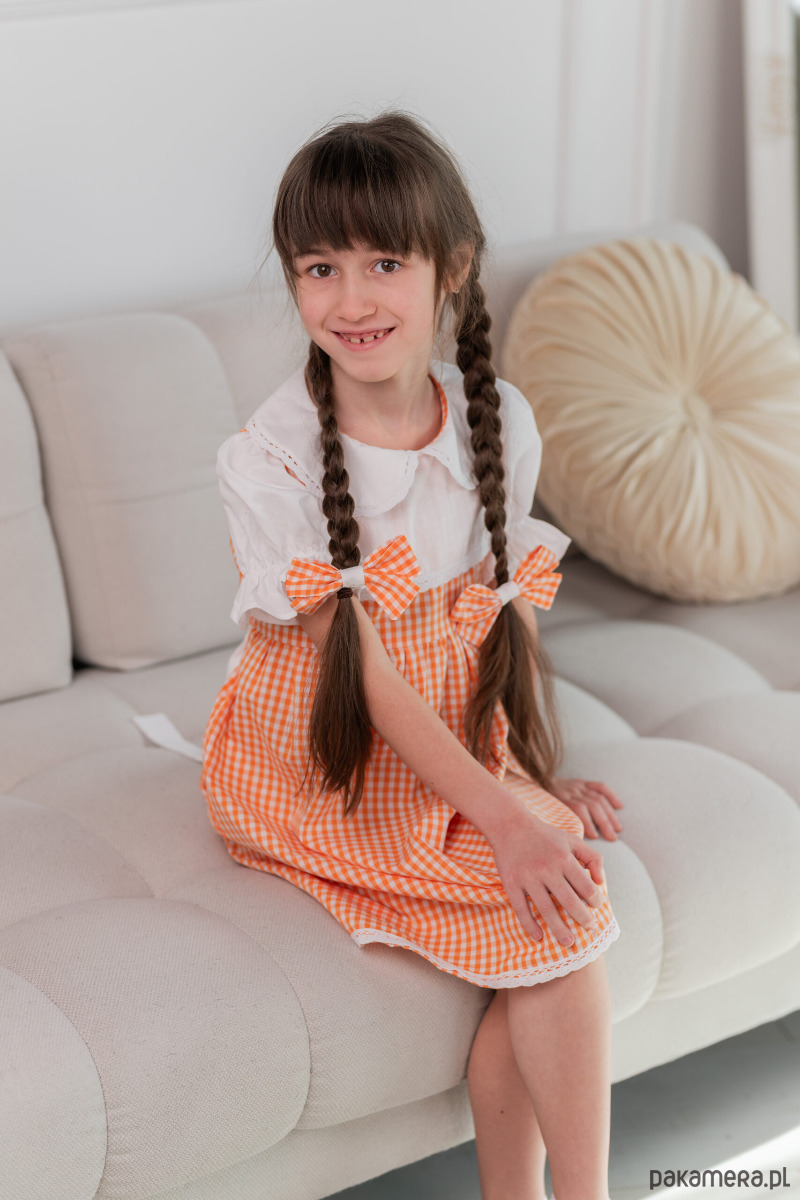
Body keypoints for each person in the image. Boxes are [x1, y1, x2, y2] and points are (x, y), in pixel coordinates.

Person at [200, 110, 624, 1200]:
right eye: (320, 267)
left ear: (454, 266)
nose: (351, 300)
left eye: (385, 262)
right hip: (321, 755)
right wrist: (506, 818)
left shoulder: (496, 420)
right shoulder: (267, 460)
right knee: (564, 922)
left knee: (557, 916)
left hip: (451, 737)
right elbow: (367, 676)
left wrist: (532, 773)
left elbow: (498, 618)